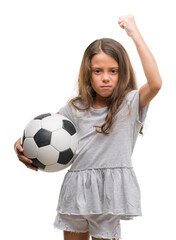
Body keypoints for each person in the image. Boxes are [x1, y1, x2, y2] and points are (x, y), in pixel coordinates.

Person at [14, 15, 162, 240]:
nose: (106, 78)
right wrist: (20, 145)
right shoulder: (74, 108)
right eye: (98, 71)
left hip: (109, 194)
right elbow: (43, 131)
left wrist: (135, 35)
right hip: (76, 192)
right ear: (88, 73)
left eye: (113, 71)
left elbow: (156, 83)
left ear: (122, 72)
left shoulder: (129, 103)